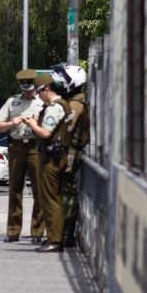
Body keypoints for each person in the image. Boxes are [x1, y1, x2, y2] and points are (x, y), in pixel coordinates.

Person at [0, 68, 45, 243]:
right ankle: (13, 231)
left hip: (35, 147)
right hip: (16, 147)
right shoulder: (12, 102)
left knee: (39, 190)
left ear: (34, 87)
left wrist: (36, 124)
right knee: (15, 190)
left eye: (29, 89)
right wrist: (11, 123)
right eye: (24, 89)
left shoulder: (42, 103)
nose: (27, 92)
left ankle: (37, 232)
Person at [25, 70, 70, 253]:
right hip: (56, 155)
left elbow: (45, 133)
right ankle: (53, 237)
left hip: (52, 158)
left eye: (39, 92)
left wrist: (32, 125)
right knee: (52, 199)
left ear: (46, 89)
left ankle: (55, 240)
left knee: (51, 200)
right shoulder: (62, 104)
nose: (38, 96)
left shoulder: (54, 107)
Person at [54, 65, 89, 248]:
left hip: (70, 153)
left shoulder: (75, 105)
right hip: (69, 151)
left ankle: (67, 234)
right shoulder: (74, 101)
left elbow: (66, 129)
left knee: (66, 193)